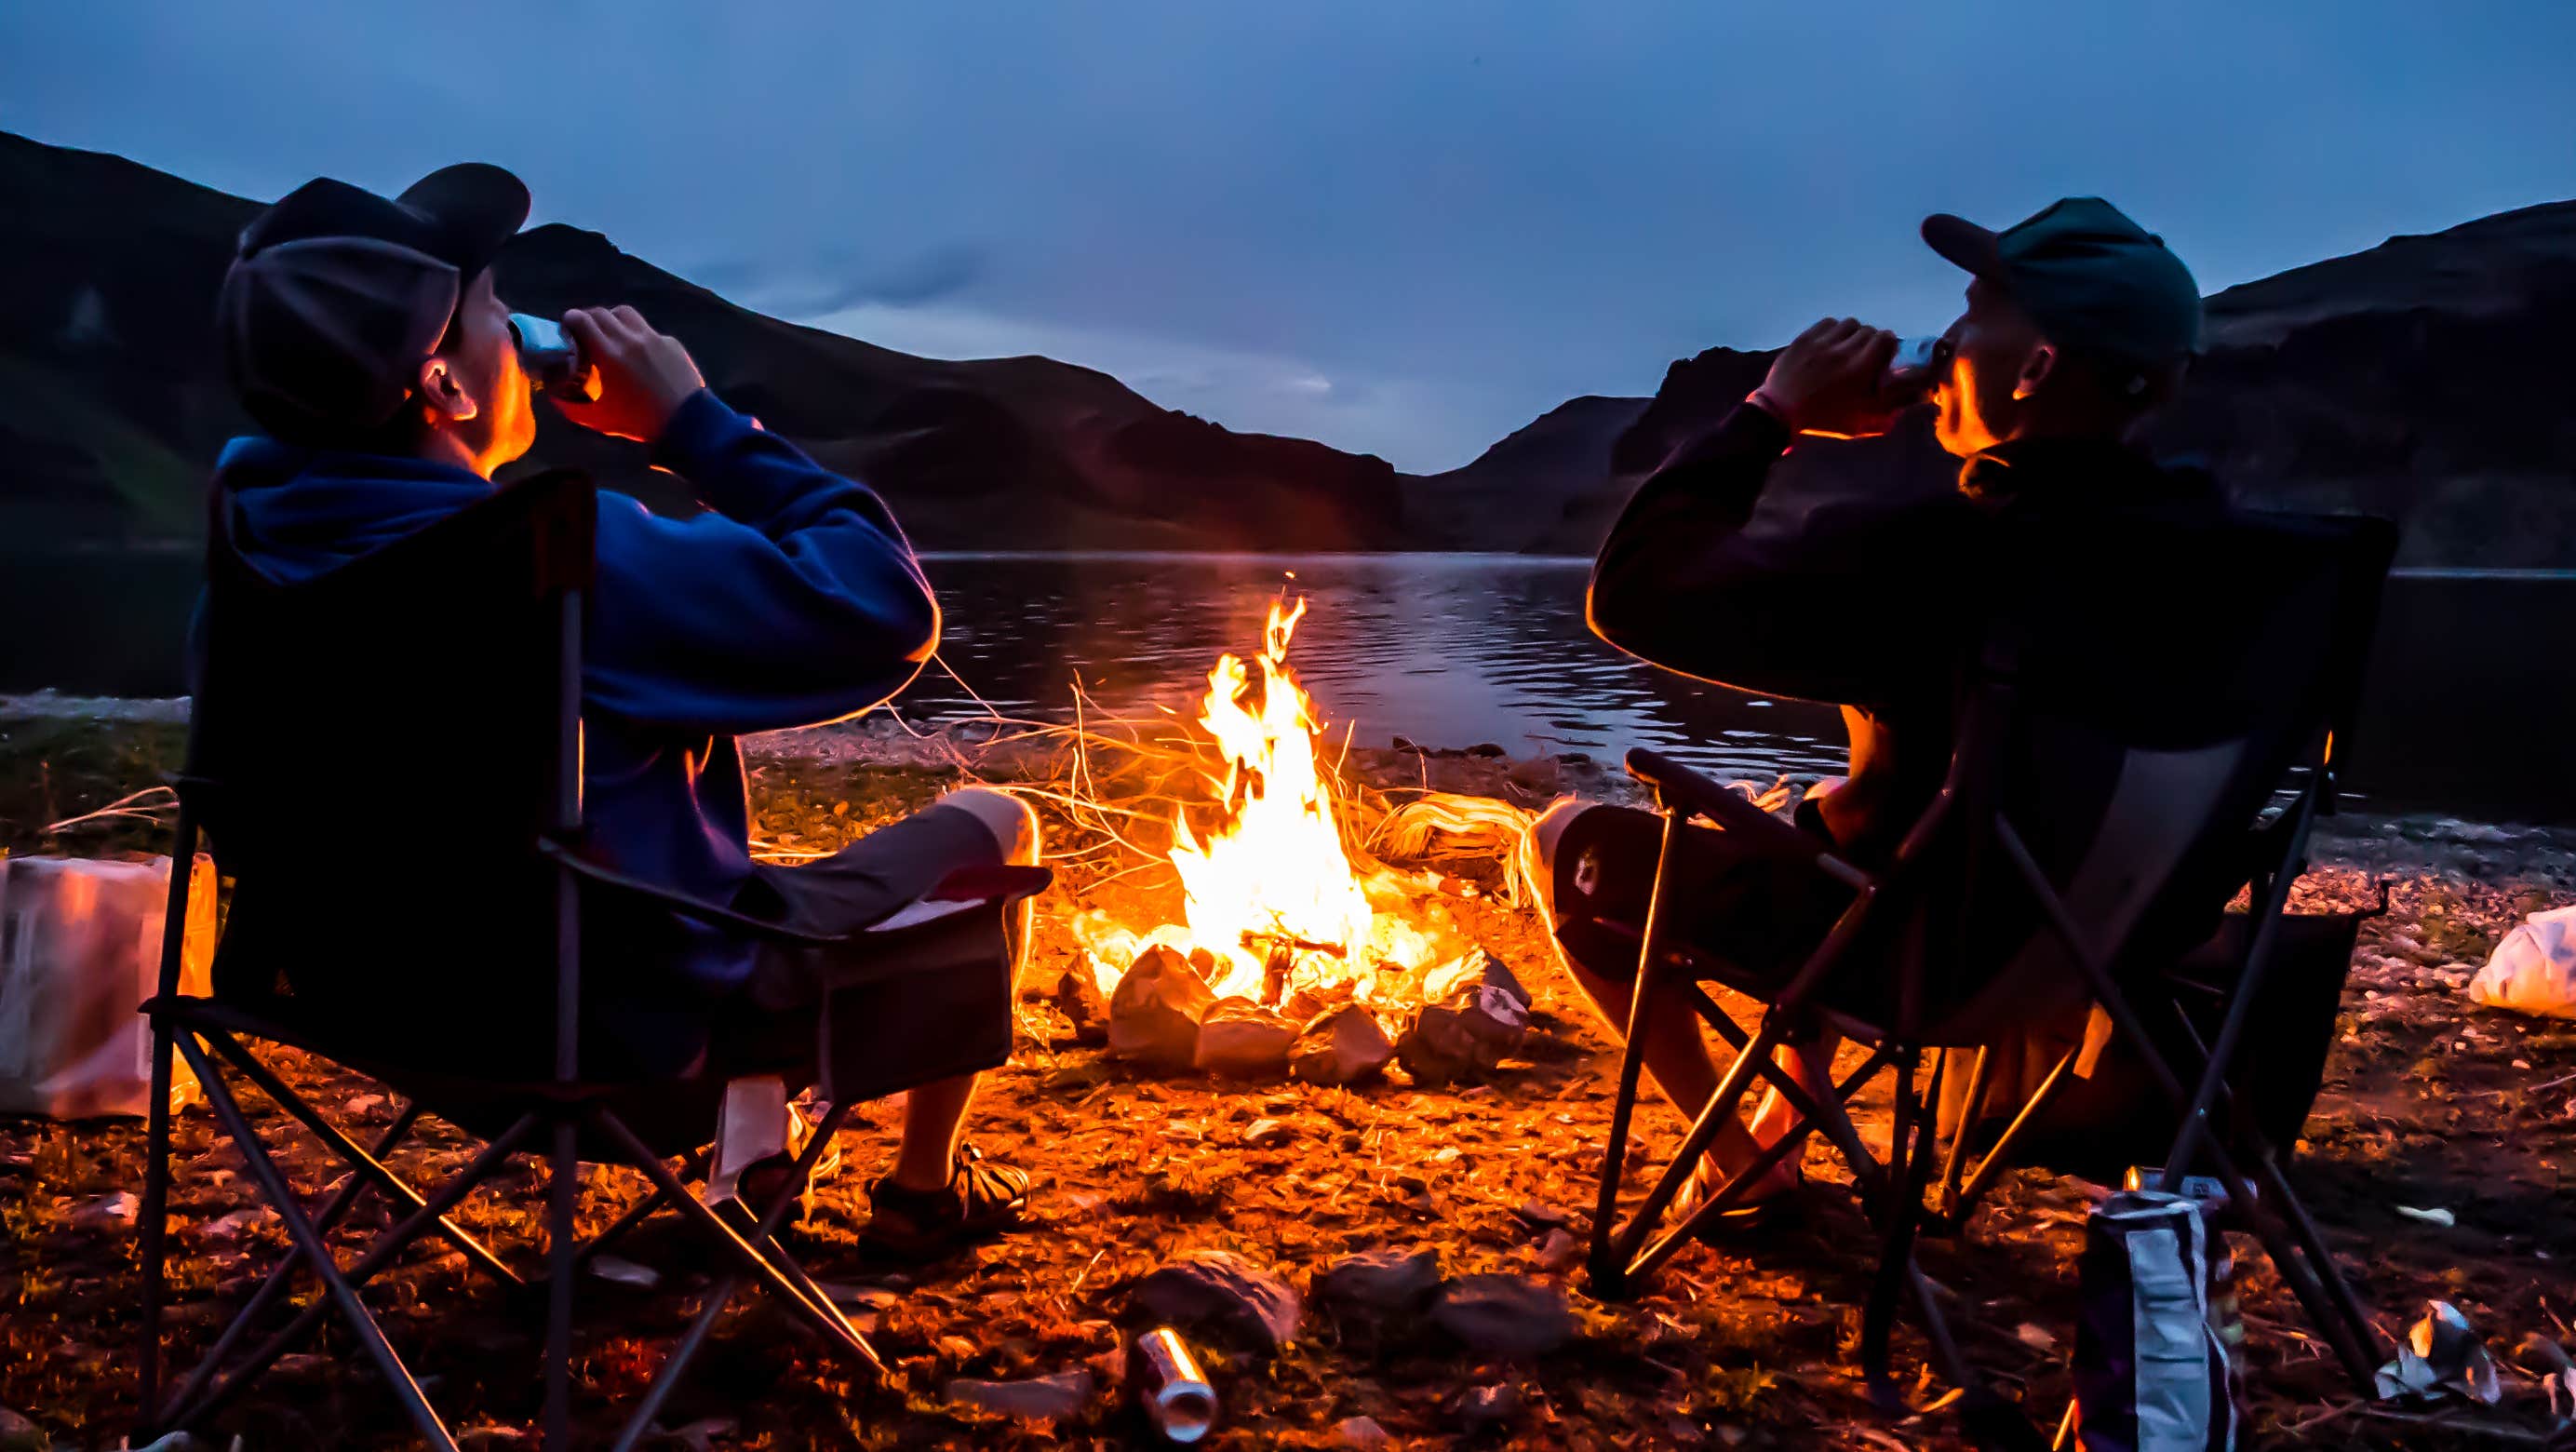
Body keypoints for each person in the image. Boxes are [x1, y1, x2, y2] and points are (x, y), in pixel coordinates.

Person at [208, 162, 1032, 1259]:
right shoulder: (552, 553)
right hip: (628, 1045)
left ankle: (755, 1171)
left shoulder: (255, 544)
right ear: (447, 387)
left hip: (363, 1014)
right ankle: (924, 1193)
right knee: (998, 820)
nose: (527, 337)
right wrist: (692, 428)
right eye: (499, 313)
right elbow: (884, 608)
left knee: (654, 850)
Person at [1527, 197, 2212, 1225]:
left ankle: (1733, 1160)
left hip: (1923, 962)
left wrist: (1767, 418)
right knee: (1835, 810)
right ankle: (1781, 1118)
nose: (1939, 348)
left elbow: (1633, 594)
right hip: (2108, 951)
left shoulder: (1941, 553)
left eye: (1971, 316)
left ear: (2027, 370)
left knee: (1564, 838)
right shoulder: (2226, 552)